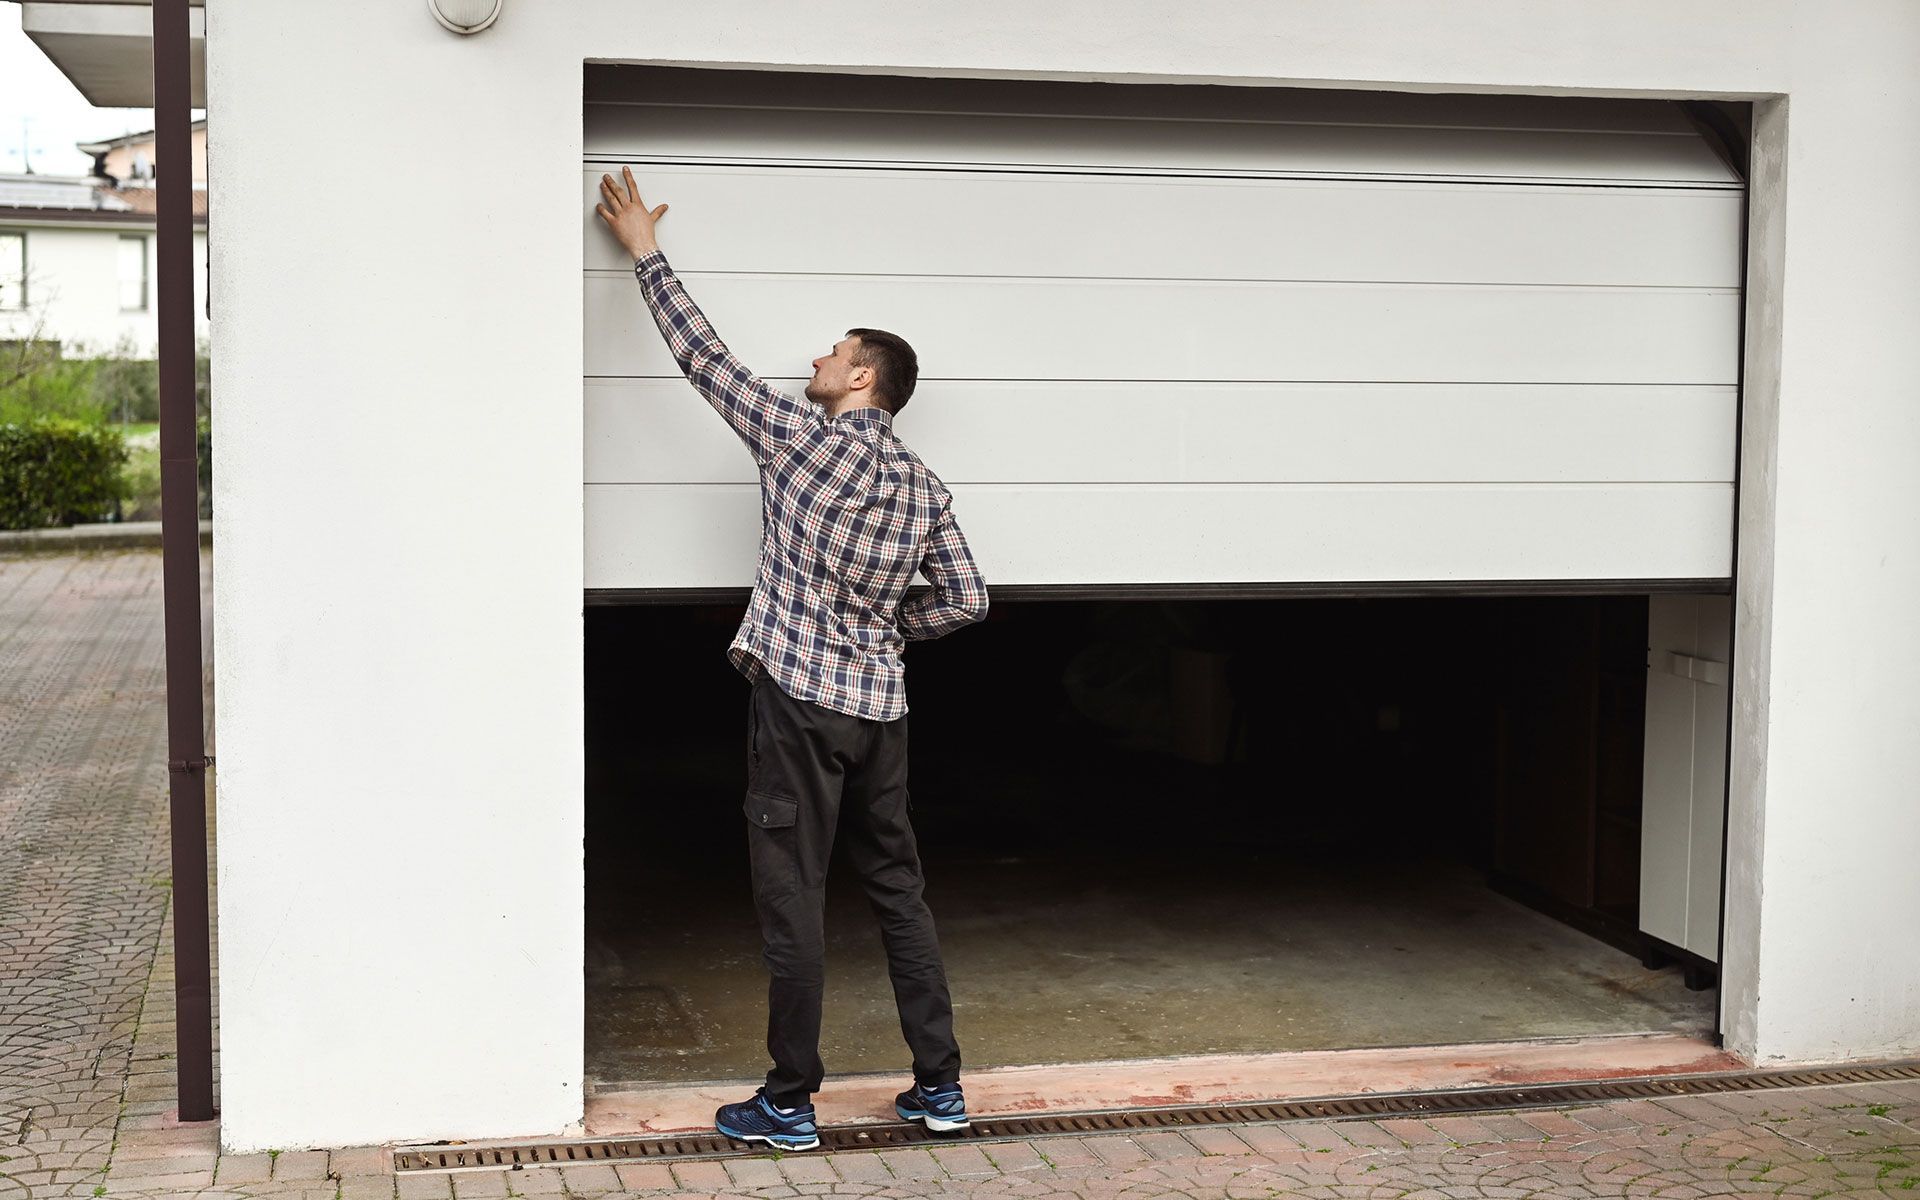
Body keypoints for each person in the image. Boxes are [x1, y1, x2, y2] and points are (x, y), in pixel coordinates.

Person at [595, 167, 989, 1151]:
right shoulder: (925, 484)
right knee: (900, 892)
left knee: (793, 895)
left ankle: (788, 1101)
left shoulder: (797, 442)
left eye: (834, 351)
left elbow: (704, 357)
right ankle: (940, 1089)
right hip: (881, 715)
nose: (815, 358)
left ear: (863, 377)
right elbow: (969, 599)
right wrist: (894, 634)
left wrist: (646, 251)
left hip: (799, 708)